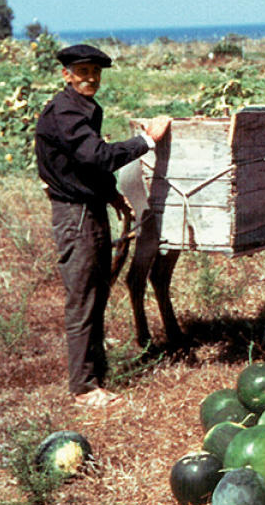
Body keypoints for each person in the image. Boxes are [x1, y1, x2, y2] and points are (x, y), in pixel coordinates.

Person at [34, 44, 171, 407]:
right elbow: (97, 156)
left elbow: (83, 166)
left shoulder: (82, 108)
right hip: (75, 214)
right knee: (83, 297)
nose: (90, 78)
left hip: (87, 208)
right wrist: (146, 140)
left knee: (96, 291)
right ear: (67, 75)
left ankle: (95, 374)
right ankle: (83, 388)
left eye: (95, 72)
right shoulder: (66, 111)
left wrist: (111, 195)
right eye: (82, 72)